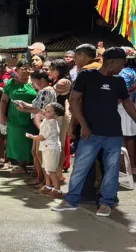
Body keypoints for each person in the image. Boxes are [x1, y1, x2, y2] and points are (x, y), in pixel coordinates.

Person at [54, 47, 136, 216]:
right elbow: (74, 100)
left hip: (113, 132)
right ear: (112, 61)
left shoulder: (119, 81)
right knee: (80, 168)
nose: (123, 67)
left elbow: (127, 103)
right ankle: (71, 200)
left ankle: (106, 203)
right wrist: (82, 124)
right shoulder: (87, 76)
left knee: (112, 169)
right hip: (90, 132)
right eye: (121, 63)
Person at [14, 71, 56, 187]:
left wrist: (23, 106)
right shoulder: (47, 90)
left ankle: (44, 180)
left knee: (39, 153)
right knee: (36, 152)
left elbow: (38, 108)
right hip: (41, 123)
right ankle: (41, 178)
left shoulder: (46, 90)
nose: (33, 85)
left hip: (42, 124)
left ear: (41, 80)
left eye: (34, 82)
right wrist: (24, 107)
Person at [0, 60, 36, 174]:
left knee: (31, 140)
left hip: (32, 116)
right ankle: (21, 165)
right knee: (17, 141)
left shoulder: (34, 81)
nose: (26, 71)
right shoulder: (11, 82)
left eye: (28, 68)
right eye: (23, 68)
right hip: (15, 116)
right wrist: (2, 116)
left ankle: (34, 166)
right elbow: (4, 100)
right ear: (17, 70)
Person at [27, 102, 65, 196]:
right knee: (46, 168)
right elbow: (42, 128)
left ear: (55, 115)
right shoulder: (47, 121)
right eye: (45, 110)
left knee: (51, 170)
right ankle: (48, 186)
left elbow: (42, 136)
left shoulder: (51, 123)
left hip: (51, 149)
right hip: (47, 148)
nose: (45, 112)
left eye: (48, 111)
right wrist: (38, 120)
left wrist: (32, 137)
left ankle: (57, 189)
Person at [118, 49, 136, 177]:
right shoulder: (133, 71)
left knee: (126, 137)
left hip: (123, 106)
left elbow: (121, 91)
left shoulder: (124, 72)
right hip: (132, 104)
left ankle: (128, 168)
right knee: (130, 137)